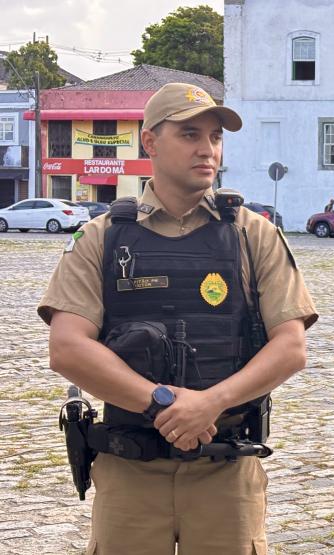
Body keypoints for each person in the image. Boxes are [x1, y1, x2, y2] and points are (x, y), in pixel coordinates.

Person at [39, 82, 318, 554]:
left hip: (225, 472)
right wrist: (161, 402)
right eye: (190, 135)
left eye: (215, 136)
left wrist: (211, 403)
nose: (207, 149)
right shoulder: (101, 237)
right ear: (150, 141)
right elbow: (67, 347)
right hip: (130, 472)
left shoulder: (253, 235)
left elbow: (290, 347)